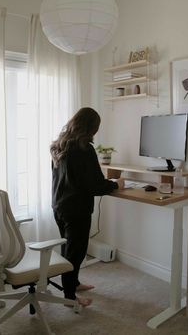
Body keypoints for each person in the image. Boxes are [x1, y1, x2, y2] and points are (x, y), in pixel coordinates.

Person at [50, 107, 124, 307]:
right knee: (75, 253)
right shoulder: (84, 149)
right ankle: (69, 298)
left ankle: (73, 283)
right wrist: (117, 184)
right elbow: (95, 186)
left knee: (68, 248)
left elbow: (72, 179)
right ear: (91, 128)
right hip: (76, 210)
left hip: (59, 206)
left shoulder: (60, 145)